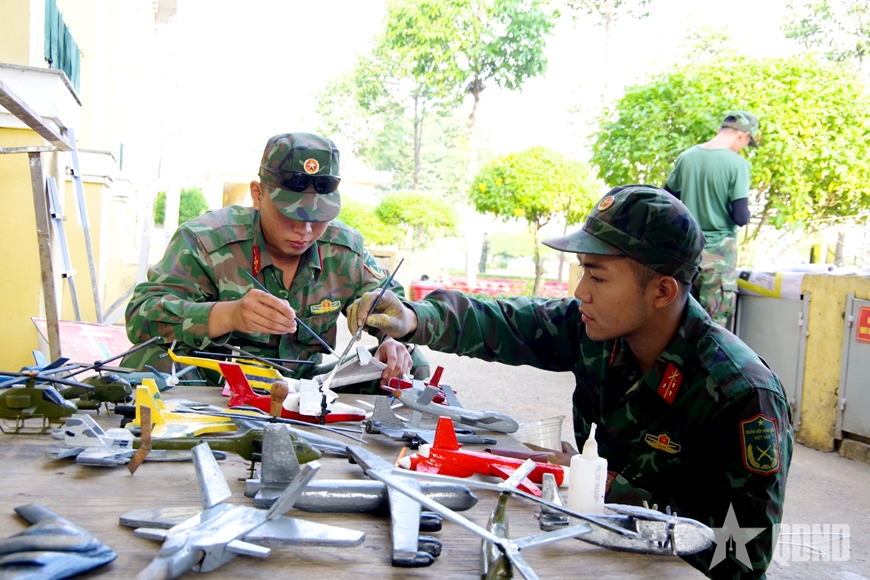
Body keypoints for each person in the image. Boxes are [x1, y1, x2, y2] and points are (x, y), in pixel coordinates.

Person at [347, 185, 792, 579]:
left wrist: (593, 483)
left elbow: (740, 557)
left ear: (662, 291)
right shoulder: (599, 330)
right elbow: (508, 321)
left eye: (597, 275)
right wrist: (414, 318)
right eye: (582, 271)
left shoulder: (740, 394)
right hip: (594, 550)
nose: (581, 291)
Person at [123, 132, 428, 391]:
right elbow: (141, 316)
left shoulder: (344, 249)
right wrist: (228, 315)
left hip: (306, 386)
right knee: (146, 361)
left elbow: (391, 304)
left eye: (318, 216)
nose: (305, 229)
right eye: (290, 213)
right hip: (217, 381)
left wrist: (390, 339)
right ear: (258, 195)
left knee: (408, 363)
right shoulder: (206, 240)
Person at [664, 110, 758, 329]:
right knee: (714, 328)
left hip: (687, 253)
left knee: (681, 322)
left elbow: (667, 200)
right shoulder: (737, 164)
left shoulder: (687, 157)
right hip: (718, 257)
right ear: (742, 136)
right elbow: (741, 216)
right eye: (746, 143)